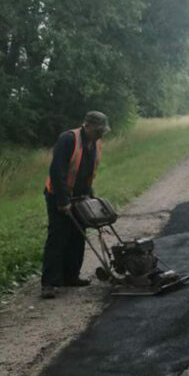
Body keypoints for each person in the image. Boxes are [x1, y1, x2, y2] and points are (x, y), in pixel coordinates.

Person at [40, 111, 109, 299]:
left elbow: (88, 170)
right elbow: (57, 171)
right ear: (87, 125)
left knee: (78, 235)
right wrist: (63, 200)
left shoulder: (95, 143)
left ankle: (71, 276)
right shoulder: (69, 139)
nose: (101, 134)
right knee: (58, 236)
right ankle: (49, 283)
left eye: (103, 130)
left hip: (81, 195)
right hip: (58, 194)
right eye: (98, 130)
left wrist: (91, 196)